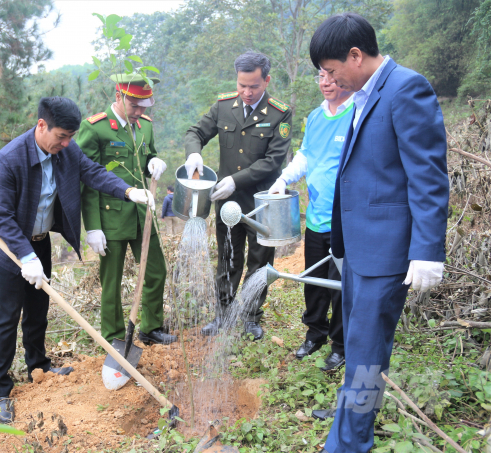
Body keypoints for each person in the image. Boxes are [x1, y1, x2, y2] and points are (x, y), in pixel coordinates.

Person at [307, 13, 448, 452]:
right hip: (359, 248)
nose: (328, 80)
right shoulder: (365, 94)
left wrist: (427, 250)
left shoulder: (406, 88)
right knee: (356, 349)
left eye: (331, 71)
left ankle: (350, 445)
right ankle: (348, 427)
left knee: (367, 359)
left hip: (386, 253)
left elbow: (428, 176)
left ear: (356, 55)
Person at [0, 96, 154, 424]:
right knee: (6, 319)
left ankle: (39, 367)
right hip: (9, 249)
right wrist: (24, 257)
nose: (65, 143)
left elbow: (92, 173)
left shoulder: (67, 151)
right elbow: (2, 217)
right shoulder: (10, 159)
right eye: (61, 136)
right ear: (41, 126)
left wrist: (128, 191)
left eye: (70, 137)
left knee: (38, 311)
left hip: (40, 243)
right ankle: (0, 389)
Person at [183, 52, 292, 340]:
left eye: (254, 86)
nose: (246, 92)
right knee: (228, 259)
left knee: (259, 262)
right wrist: (194, 152)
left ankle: (250, 317)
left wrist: (235, 180)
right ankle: (223, 314)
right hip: (227, 202)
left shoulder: (279, 113)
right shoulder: (223, 107)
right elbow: (195, 131)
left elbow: (272, 161)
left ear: (266, 80)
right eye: (242, 85)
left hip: (261, 205)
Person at [77, 74, 176, 346]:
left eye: (145, 106)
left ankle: (151, 327)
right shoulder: (95, 128)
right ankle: (114, 337)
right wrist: (93, 226)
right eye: (134, 105)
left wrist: (154, 162)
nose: (140, 111)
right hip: (111, 217)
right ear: (119, 97)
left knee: (156, 271)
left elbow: (146, 159)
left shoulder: (144, 126)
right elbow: (87, 179)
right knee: (113, 281)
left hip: (143, 214)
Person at [269, 70, 354, 371]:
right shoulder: (315, 117)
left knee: (340, 285)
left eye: (332, 74)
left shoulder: (358, 111)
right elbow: (305, 155)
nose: (326, 82)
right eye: (321, 75)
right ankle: (315, 334)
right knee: (313, 282)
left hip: (345, 220)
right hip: (317, 217)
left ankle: (341, 345)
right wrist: (282, 179)